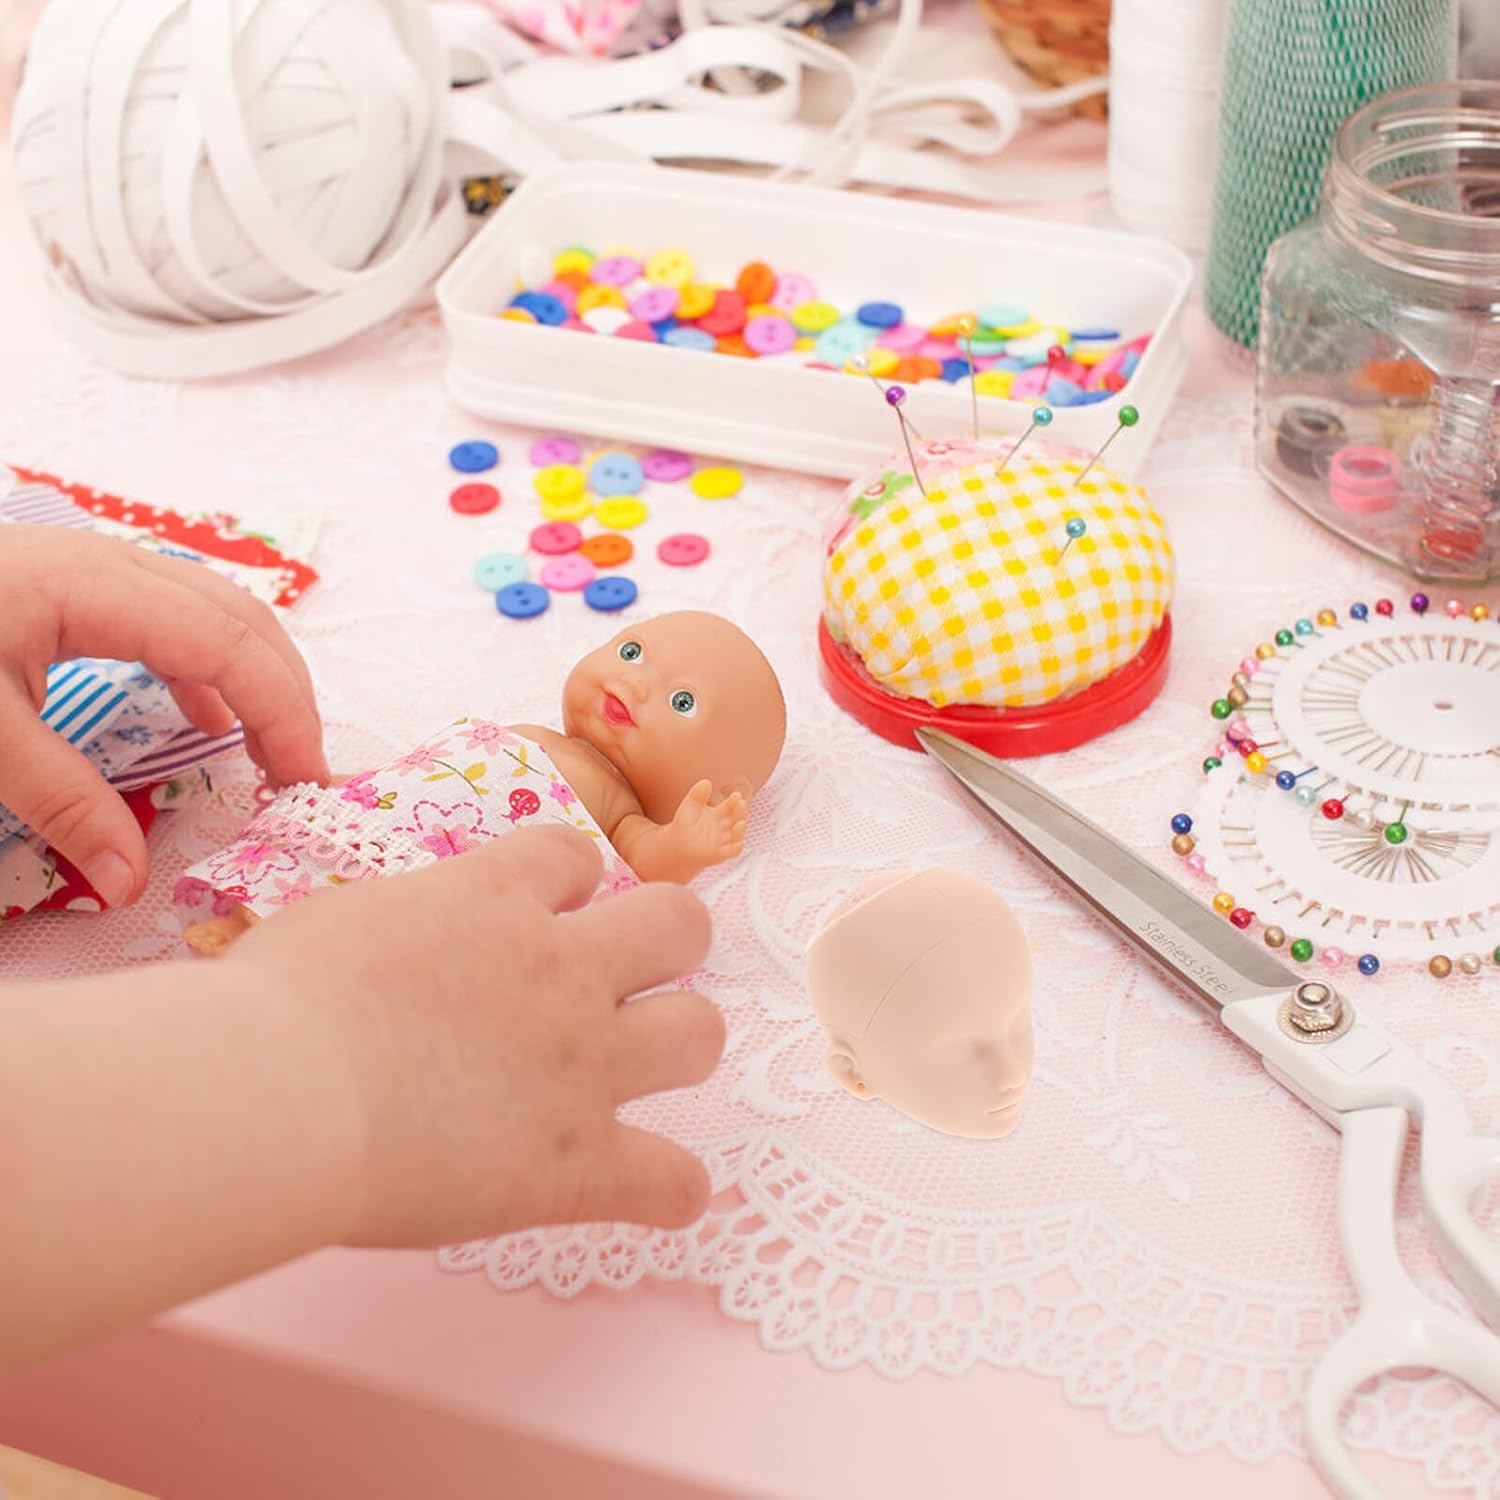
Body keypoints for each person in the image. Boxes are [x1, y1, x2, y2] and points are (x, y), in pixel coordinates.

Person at [0, 525, 725, 1372]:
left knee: (377, 915)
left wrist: (688, 842)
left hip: (455, 861)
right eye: (632, 651)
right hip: (402, 826)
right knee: (337, 891)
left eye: (682, 705)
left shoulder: (621, 805)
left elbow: (645, 858)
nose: (636, 684)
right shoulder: (531, 729)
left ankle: (255, 939)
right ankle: (252, 925)